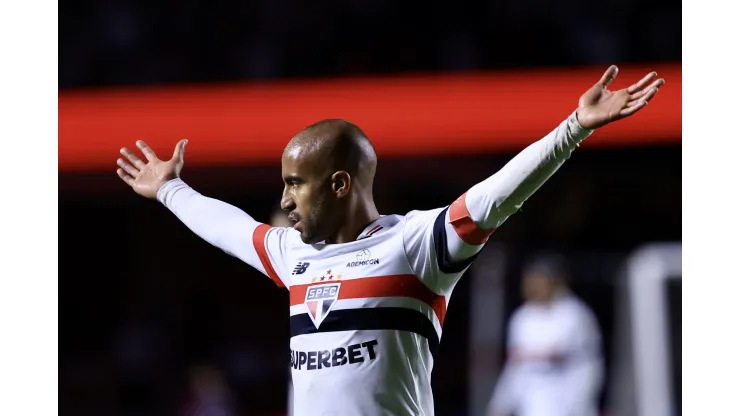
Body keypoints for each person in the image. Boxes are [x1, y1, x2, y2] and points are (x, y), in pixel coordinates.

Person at [115, 66, 663, 416]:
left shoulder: (416, 245)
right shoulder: (294, 257)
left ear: (339, 184)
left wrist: (573, 128)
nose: (283, 201)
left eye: (293, 185)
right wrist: (170, 189)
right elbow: (227, 227)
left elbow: (498, 195)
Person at [486, 254, 604, 416]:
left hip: (568, 406)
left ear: (555, 281)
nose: (533, 285)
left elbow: (590, 367)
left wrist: (579, 405)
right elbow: (515, 368)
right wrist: (500, 404)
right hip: (532, 406)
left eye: (539, 279)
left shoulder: (575, 316)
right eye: (531, 279)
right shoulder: (522, 319)